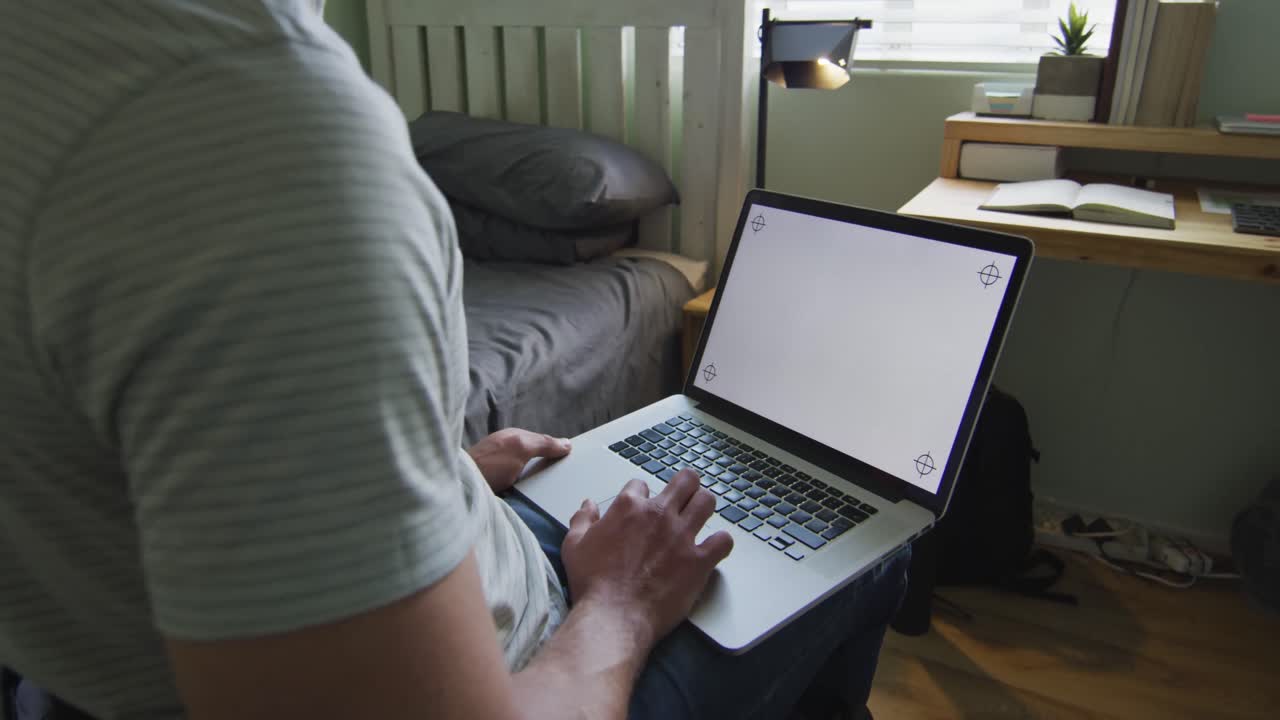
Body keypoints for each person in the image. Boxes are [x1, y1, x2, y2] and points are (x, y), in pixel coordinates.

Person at [0, 2, 909, 719]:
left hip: (443, 573)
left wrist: (443, 476)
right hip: (538, 654)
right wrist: (622, 606)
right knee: (872, 549)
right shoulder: (266, 133)